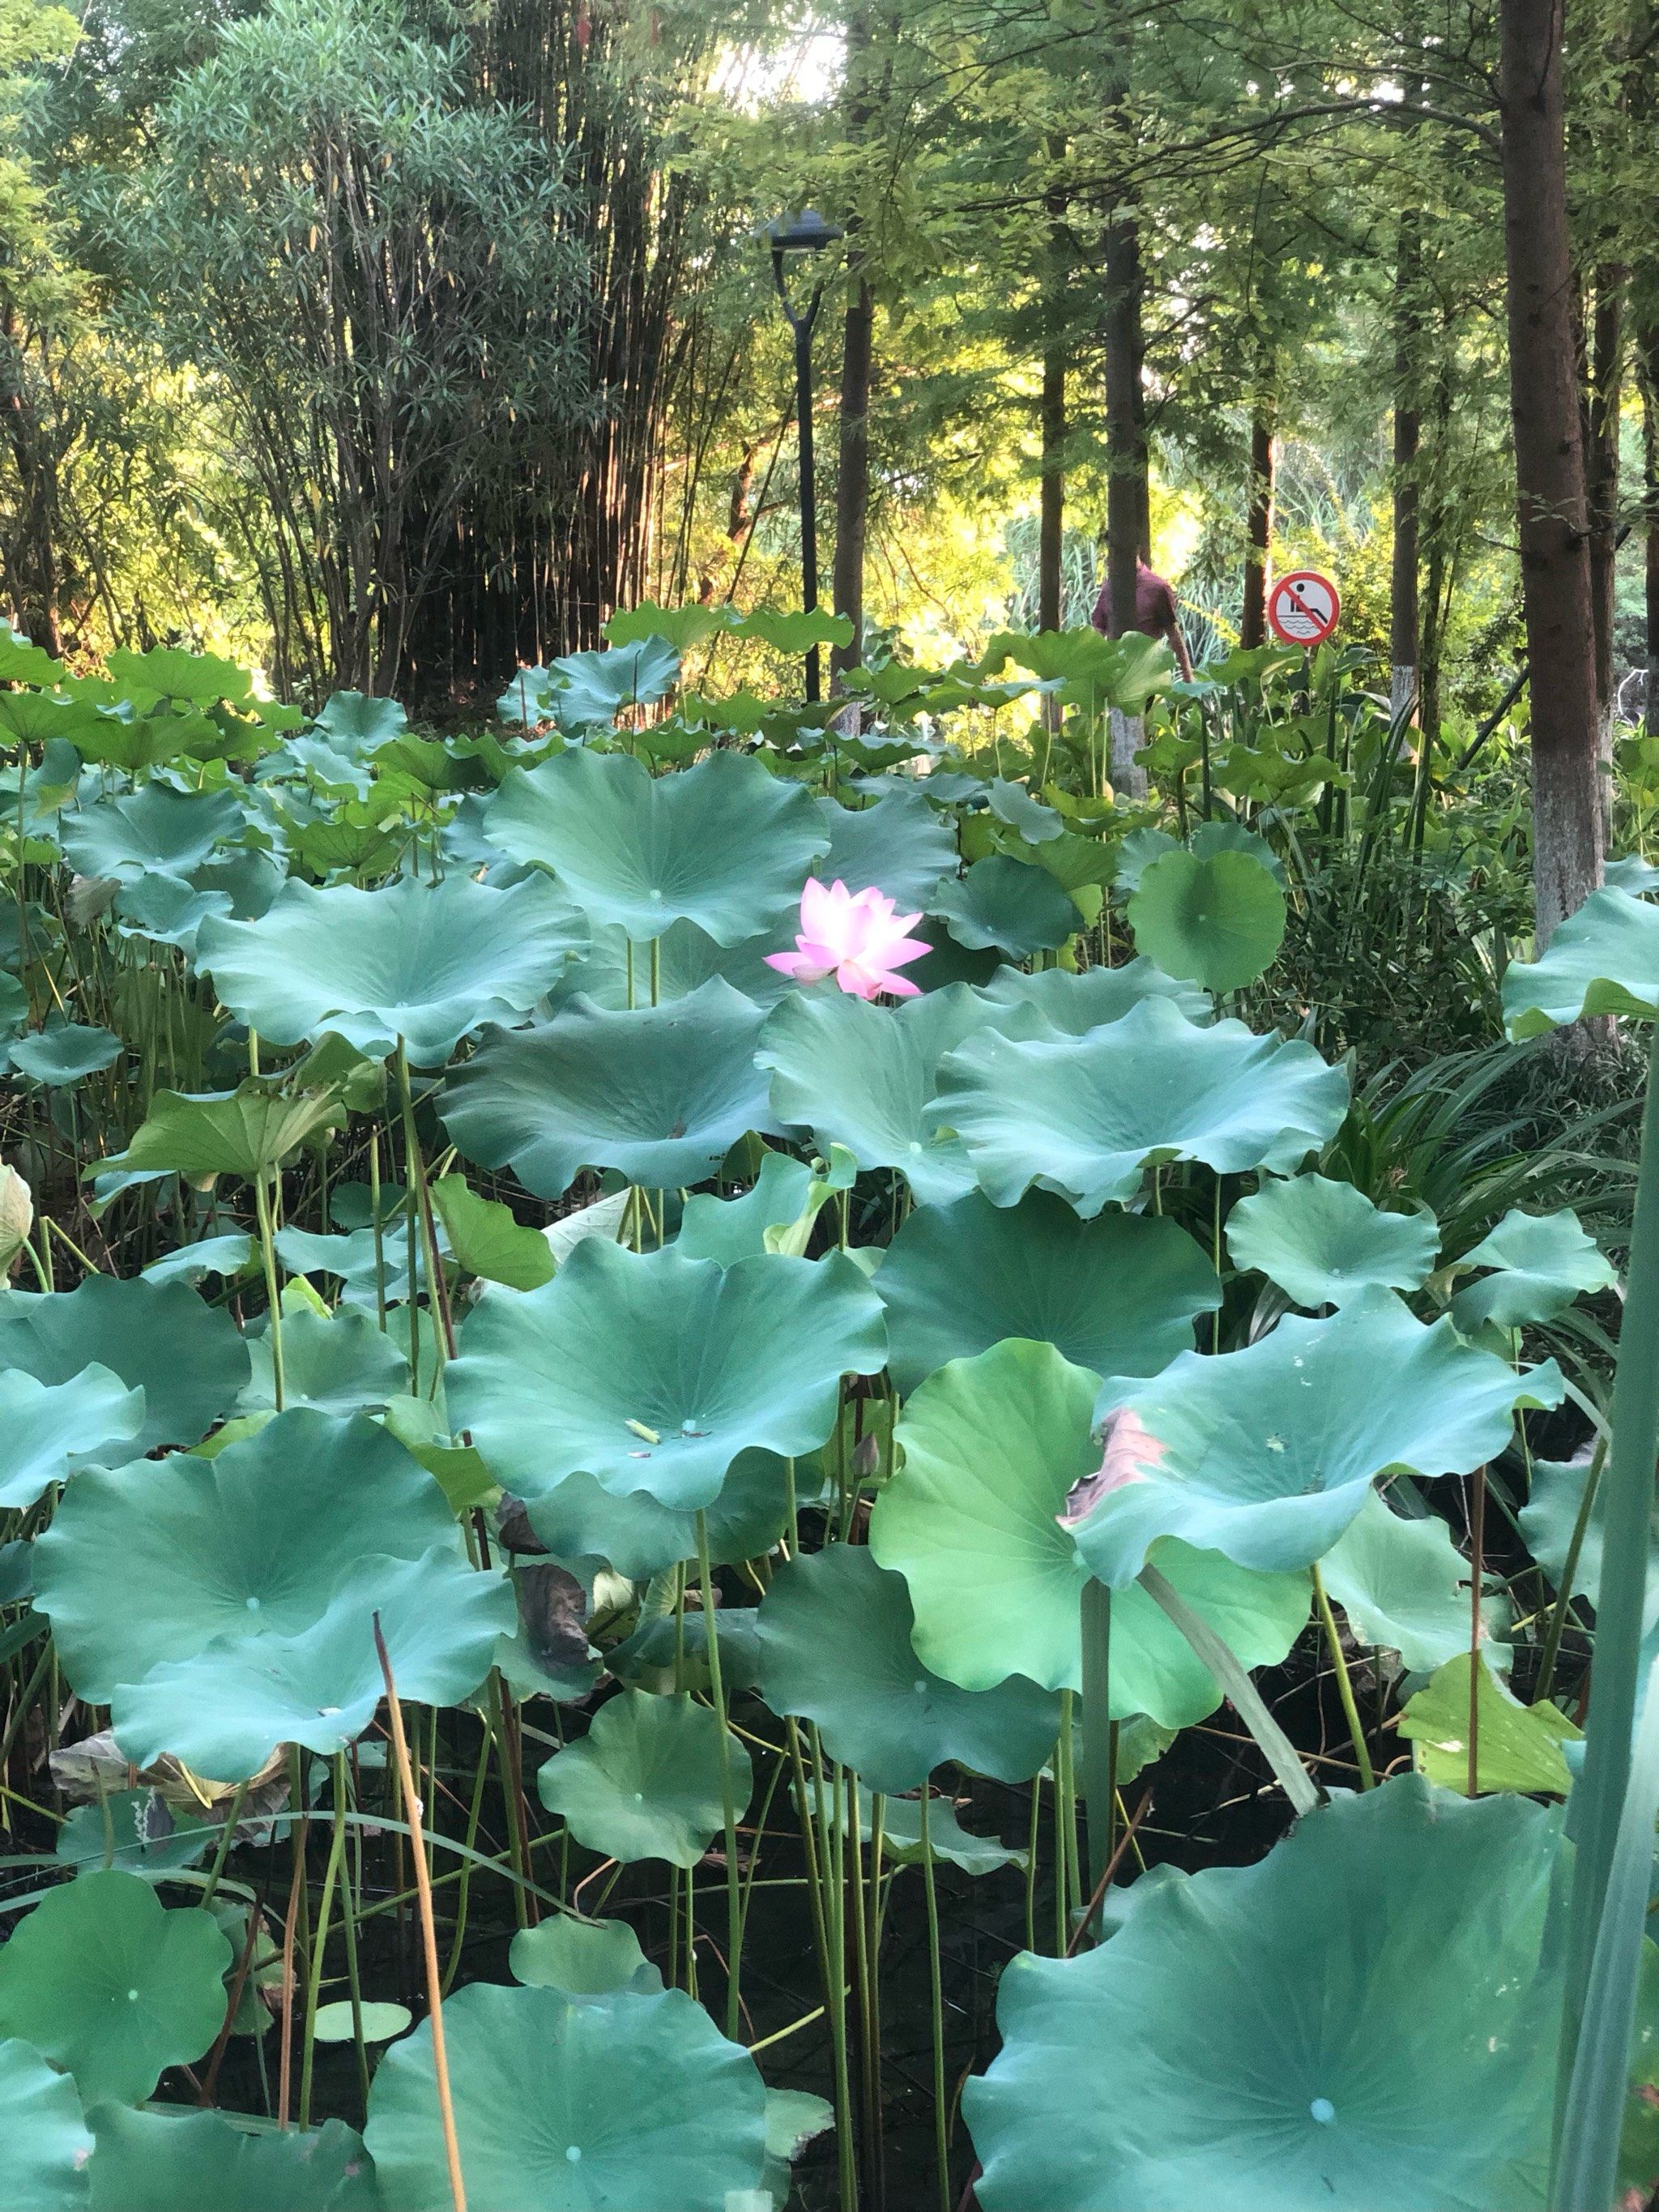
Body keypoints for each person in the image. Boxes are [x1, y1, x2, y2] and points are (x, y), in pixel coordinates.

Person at [1090, 552, 1194, 679]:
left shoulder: (1157, 588)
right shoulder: (1109, 588)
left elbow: (1173, 633)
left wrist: (1187, 676)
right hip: (1115, 676)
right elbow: (1097, 633)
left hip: (1146, 675)